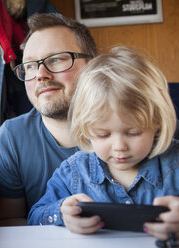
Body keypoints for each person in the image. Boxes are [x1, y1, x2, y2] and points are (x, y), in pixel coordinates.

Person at [27, 46, 179, 241]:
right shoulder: (73, 172)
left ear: (157, 123)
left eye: (133, 132)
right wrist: (62, 213)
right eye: (103, 134)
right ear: (86, 129)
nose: (119, 146)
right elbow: (34, 218)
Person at [0, 12, 97, 225]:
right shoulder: (13, 138)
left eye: (56, 59)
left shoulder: (139, 128)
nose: (40, 74)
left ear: (92, 65)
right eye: (30, 65)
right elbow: (11, 221)